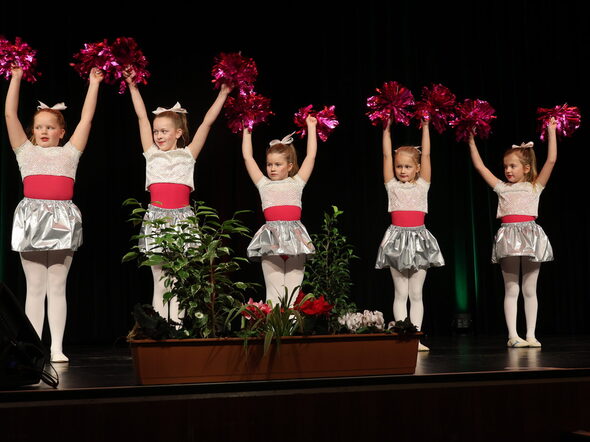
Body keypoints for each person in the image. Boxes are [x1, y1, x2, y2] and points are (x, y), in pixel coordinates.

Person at [5, 66, 103, 362]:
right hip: (32, 217)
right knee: (34, 288)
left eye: (50, 127)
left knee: (57, 286)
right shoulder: (24, 151)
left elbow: (87, 118)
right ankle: (35, 348)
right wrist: (16, 78)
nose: (44, 131)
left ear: (62, 132)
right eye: (39, 127)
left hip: (62, 219)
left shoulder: (70, 152)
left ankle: (56, 347)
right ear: (32, 132)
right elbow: (10, 116)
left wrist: (94, 83)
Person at [124, 69, 231, 323]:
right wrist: (133, 87)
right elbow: (141, 117)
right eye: (156, 131)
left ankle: (178, 327)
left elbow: (206, 122)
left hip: (182, 220)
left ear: (179, 133)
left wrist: (223, 94)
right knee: (160, 280)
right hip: (157, 220)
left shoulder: (188, 155)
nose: (158, 136)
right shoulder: (151, 154)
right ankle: (159, 329)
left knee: (179, 279)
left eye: (164, 131)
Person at [467, 119, 557, 348]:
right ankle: (512, 335)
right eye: (505, 166)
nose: (507, 170)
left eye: (512, 166)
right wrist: (470, 140)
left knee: (529, 288)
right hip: (508, 237)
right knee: (511, 288)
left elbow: (551, 160)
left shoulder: (535, 186)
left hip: (530, 236)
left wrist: (551, 131)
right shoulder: (501, 187)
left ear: (526, 168)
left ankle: (531, 334)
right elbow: (480, 168)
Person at [375, 119, 444, 351]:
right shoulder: (391, 186)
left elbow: (427, 156)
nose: (402, 171)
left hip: (419, 240)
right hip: (396, 239)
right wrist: (386, 128)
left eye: (407, 166)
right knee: (400, 292)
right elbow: (386, 155)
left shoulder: (423, 185)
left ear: (416, 168)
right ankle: (402, 336)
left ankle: (415, 337)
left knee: (416, 293)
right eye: (399, 166)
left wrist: (425, 127)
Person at [241, 116, 317, 305]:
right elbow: (247, 157)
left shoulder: (297, 183)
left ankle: (289, 333)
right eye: (269, 164)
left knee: (291, 297)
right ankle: (275, 333)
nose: (272, 168)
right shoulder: (263, 184)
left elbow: (311, 157)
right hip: (271, 240)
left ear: (289, 166)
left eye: (278, 164)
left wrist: (312, 127)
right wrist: (246, 128)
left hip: (295, 240)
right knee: (273, 295)